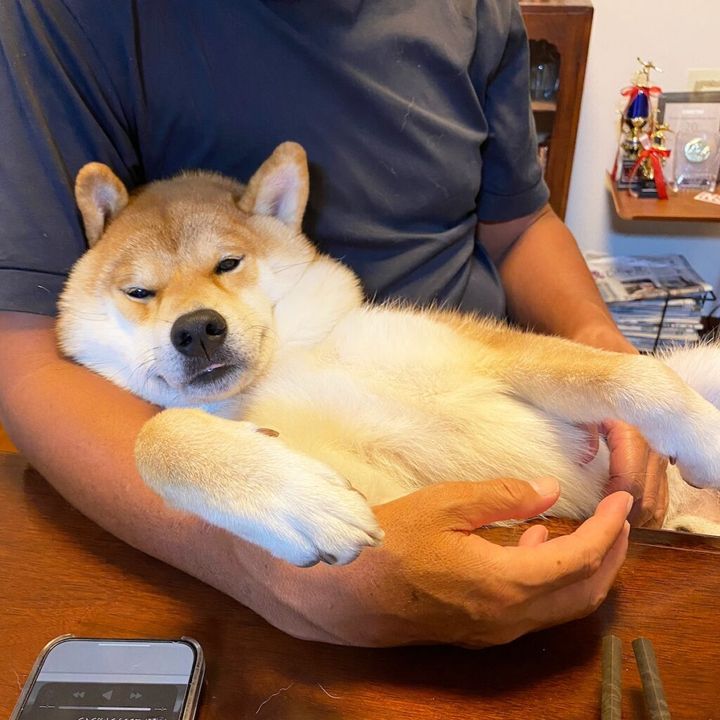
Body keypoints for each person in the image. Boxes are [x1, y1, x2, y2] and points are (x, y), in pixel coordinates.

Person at [0, 1, 667, 647]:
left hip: (492, 391)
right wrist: (259, 562)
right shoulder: (69, 17)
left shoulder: (476, 10)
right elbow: (25, 357)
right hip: (255, 490)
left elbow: (519, 224)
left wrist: (602, 350)